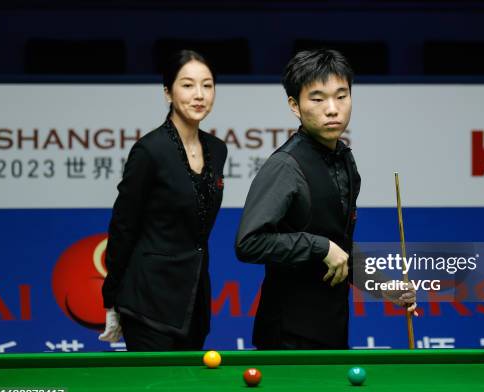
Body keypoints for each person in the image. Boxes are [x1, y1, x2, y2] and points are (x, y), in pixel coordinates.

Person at [235, 49, 416, 350]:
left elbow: (341, 247)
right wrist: (319, 246)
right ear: (295, 105)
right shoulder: (285, 166)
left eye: (341, 96)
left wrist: (386, 287)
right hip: (287, 338)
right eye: (318, 99)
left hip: (333, 331)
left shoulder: (345, 160)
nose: (332, 109)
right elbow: (248, 243)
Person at [98, 50, 227, 351]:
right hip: (148, 302)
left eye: (207, 86)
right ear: (168, 92)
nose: (199, 95)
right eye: (188, 85)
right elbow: (123, 227)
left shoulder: (217, 150)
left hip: (194, 302)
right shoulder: (149, 151)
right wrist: (111, 301)